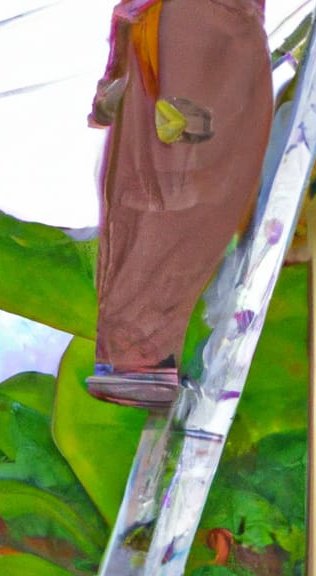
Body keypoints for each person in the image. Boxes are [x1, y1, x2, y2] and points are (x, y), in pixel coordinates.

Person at [86, 0, 273, 409]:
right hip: (187, 36)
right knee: (159, 198)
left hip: (185, 38)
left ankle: (137, 359)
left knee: (159, 199)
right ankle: (137, 360)